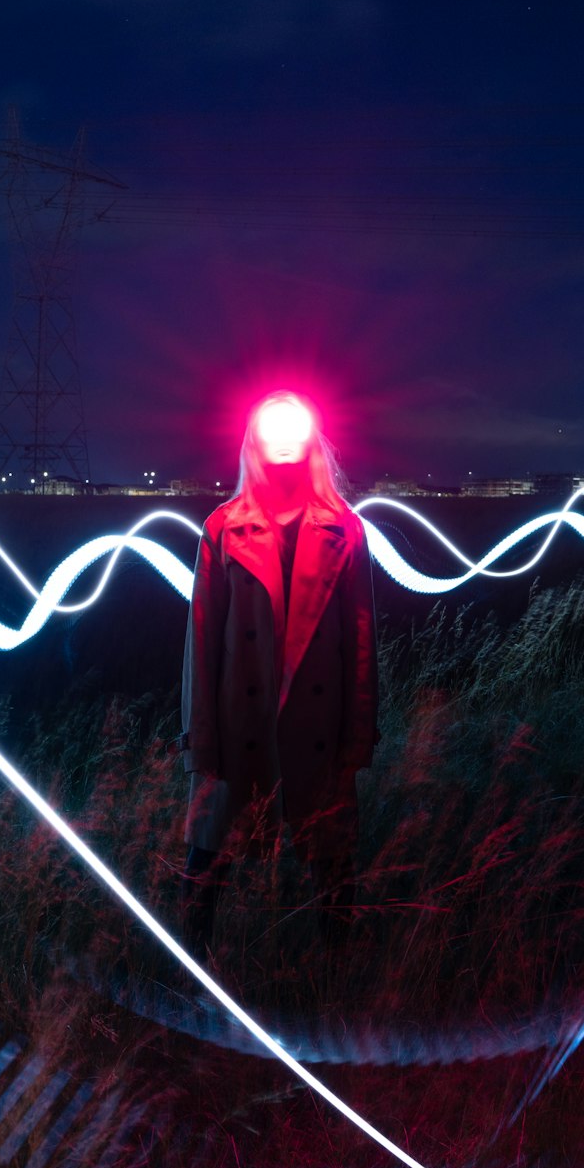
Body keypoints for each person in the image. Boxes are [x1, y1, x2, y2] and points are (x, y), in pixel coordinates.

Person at [179, 391, 379, 960]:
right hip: (240, 724)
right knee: (206, 863)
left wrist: (357, 741)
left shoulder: (344, 530)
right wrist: (201, 744)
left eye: (296, 426)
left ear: (314, 438)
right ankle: (190, 985)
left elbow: (361, 647)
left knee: (335, 874)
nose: (285, 436)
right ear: (254, 440)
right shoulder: (223, 528)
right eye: (272, 426)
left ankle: (335, 990)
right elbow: (201, 645)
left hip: (318, 728)